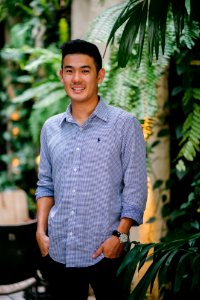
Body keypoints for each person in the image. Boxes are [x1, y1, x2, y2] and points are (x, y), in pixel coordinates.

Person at [35, 39, 147, 300]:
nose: (76, 78)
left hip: (108, 251)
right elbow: (46, 185)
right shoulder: (50, 128)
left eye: (85, 70)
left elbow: (136, 187)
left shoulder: (124, 125)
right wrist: (41, 233)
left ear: (100, 75)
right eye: (69, 70)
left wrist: (119, 237)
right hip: (59, 250)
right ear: (62, 75)